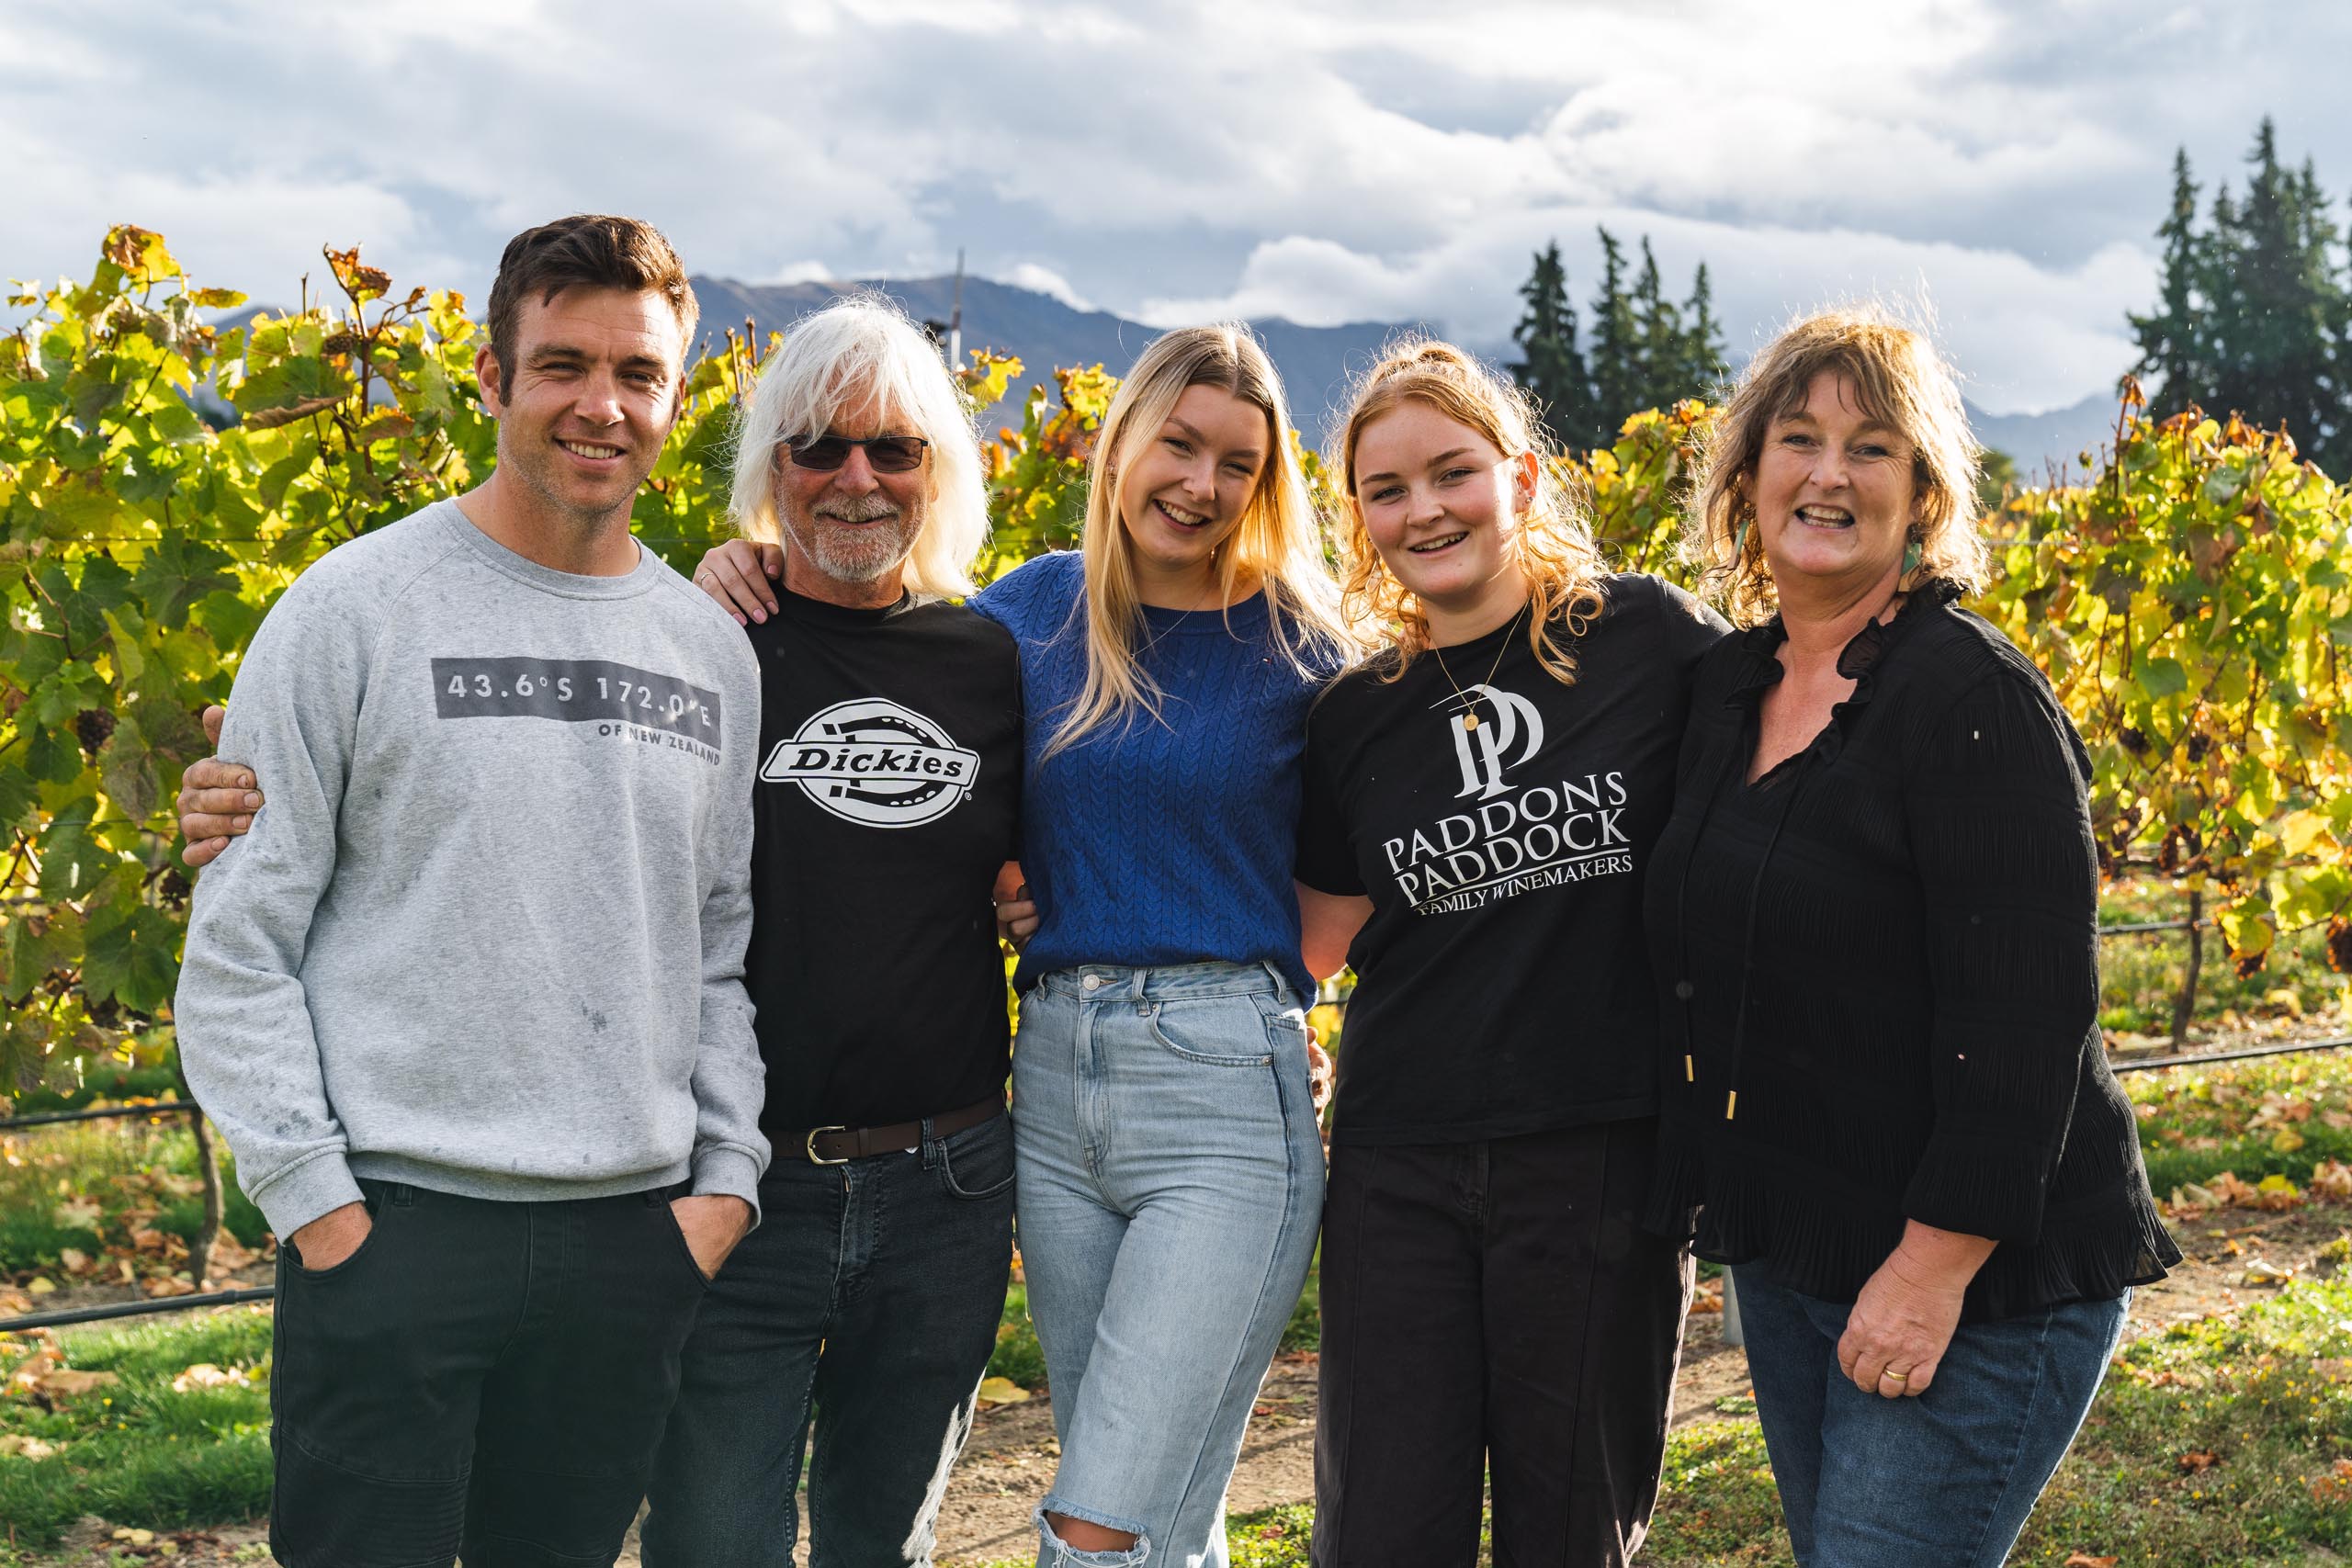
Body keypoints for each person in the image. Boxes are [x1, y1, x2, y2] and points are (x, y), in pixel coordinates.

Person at [178, 293, 1029, 1566]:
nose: (856, 478)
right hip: (693, 1193)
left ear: (941, 470)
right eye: (816, 447)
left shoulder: (983, 659)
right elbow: (307, 883)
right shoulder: (718, 632)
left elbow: (1105, 822)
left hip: (915, 1186)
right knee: (707, 1543)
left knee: (879, 1545)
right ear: (767, 468)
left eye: (894, 449)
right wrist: (319, 1205)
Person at [698, 322, 1358, 1568]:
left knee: (1100, 1523)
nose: (1200, 485)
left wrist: (1278, 1004)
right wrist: (731, 565)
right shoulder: (1027, 617)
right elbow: (895, 683)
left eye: (1236, 463)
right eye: (1178, 444)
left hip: (1218, 1087)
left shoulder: (1302, 649)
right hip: (1052, 1090)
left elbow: (1377, 846)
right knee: (1165, 1491)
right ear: (1121, 449)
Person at [172, 214, 769, 1568]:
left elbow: (717, 949)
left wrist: (721, 1186)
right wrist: (320, 1210)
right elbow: (242, 947)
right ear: (493, 381)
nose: (601, 405)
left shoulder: (709, 655)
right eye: (562, 364)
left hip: (630, 1241)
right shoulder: (348, 612)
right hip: (395, 1232)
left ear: (676, 400)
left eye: (638, 373)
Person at [1642, 306, 2180, 1567]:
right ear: (1746, 474)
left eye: (1872, 447)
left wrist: (1930, 1272)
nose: (1828, 474)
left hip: (1981, 1272)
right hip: (1801, 1243)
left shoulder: (1969, 699)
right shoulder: (1727, 694)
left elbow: (2029, 1017)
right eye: (1798, 438)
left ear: (1923, 495)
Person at [1292, 341, 1715, 1566]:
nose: (1423, 509)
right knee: (1380, 1533)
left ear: (1521, 479)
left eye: (1452, 472)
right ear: (1360, 518)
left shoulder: (1650, 641)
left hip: (1598, 1160)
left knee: (1569, 1533)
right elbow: (1312, 943)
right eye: (1386, 489)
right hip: (1396, 1169)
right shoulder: (1353, 714)